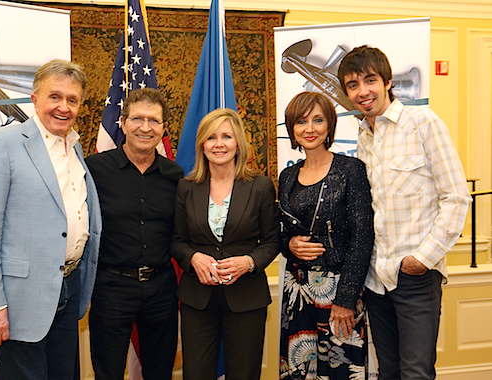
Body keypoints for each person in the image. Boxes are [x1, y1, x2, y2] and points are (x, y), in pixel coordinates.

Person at [337, 46, 471, 380]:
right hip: (376, 279)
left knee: (416, 373)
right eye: (353, 85)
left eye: (370, 80)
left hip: (415, 277)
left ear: (387, 81)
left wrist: (423, 258)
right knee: (390, 372)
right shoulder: (364, 135)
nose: (363, 91)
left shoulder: (423, 122)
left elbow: (456, 197)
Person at [0, 59, 102, 379]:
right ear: (34, 98)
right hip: (19, 302)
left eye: (72, 100)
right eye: (55, 97)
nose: (63, 107)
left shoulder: (74, 146)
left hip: (69, 288)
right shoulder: (3, 144)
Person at [171, 108, 280, 380]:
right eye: (211, 138)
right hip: (198, 300)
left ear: (238, 143)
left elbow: (272, 240)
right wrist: (194, 258)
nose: (219, 144)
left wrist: (250, 262)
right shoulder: (186, 187)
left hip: (246, 298)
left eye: (227, 136)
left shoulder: (260, 186)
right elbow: (176, 241)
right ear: (202, 145)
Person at [85, 88, 183, 380]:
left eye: (154, 120)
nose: (145, 127)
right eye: (137, 118)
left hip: (161, 289)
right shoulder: (94, 169)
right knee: (108, 372)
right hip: (111, 287)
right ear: (123, 123)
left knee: (160, 371)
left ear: (163, 127)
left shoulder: (175, 176)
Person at [278, 92, 374, 379]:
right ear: (292, 129)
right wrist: (289, 245)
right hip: (297, 291)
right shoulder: (287, 176)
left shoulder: (350, 170)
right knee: (299, 370)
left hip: (339, 292)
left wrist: (345, 299)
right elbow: (281, 232)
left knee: (340, 370)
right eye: (301, 121)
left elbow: (362, 237)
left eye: (317, 120)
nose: (310, 128)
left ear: (329, 126)